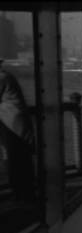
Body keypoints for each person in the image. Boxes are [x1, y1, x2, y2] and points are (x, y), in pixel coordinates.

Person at [0, 58, 36, 202]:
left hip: (12, 123)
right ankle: (25, 192)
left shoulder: (2, 78)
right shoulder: (7, 76)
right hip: (16, 122)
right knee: (21, 158)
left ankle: (22, 194)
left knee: (15, 158)